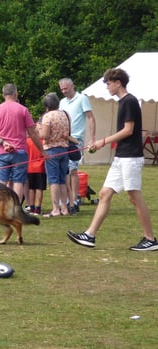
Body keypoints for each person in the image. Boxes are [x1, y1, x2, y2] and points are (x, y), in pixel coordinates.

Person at [67, 68, 158, 251]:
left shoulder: (129, 101)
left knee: (134, 196)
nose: (107, 87)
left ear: (118, 83)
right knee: (104, 194)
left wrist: (102, 141)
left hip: (130, 158)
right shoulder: (123, 102)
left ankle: (150, 239)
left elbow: (128, 130)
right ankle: (89, 235)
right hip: (121, 157)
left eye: (108, 83)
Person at [0, 83, 44, 202]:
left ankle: (1, 207)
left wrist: (3, 142)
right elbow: (32, 133)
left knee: (2, 180)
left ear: (3, 95)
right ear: (15, 94)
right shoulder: (23, 110)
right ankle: (15, 208)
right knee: (18, 181)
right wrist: (42, 150)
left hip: (2, 152)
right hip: (20, 151)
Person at [59, 77, 96, 213]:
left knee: (73, 170)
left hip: (76, 139)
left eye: (66, 88)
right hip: (64, 139)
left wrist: (92, 138)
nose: (64, 91)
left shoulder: (82, 99)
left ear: (72, 86)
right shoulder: (62, 102)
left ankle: (74, 200)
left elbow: (91, 118)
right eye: (62, 89)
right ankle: (67, 200)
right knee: (65, 170)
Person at [39, 93, 72, 217]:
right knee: (62, 179)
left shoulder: (47, 116)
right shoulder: (65, 114)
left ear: (47, 105)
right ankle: (64, 208)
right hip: (64, 149)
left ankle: (55, 209)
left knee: (53, 180)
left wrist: (39, 131)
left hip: (51, 149)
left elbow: (45, 135)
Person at [25, 128, 46, 215]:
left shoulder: (27, 141)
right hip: (40, 167)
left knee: (31, 188)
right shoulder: (42, 141)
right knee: (39, 189)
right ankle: (38, 208)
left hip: (29, 168)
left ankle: (32, 206)